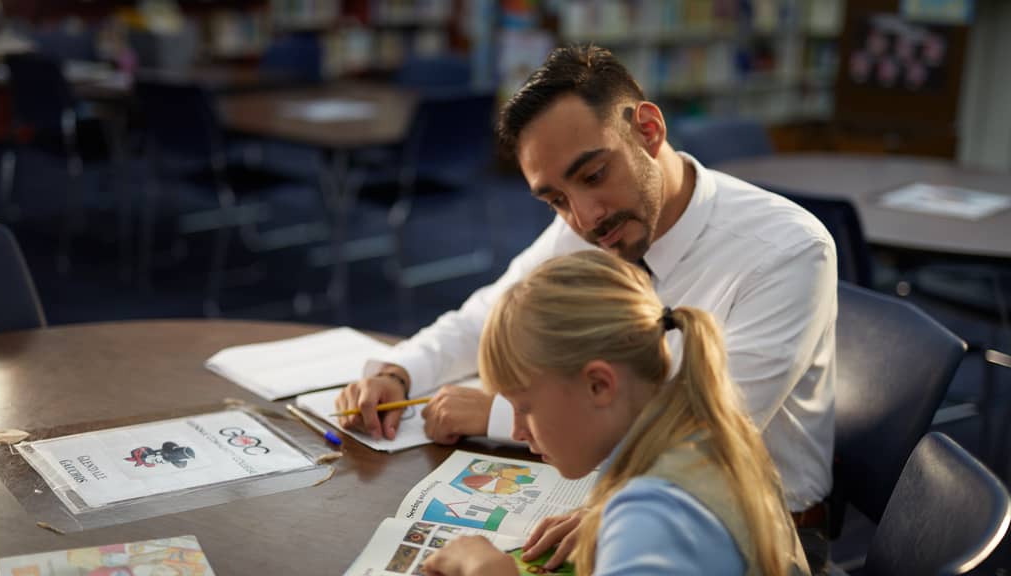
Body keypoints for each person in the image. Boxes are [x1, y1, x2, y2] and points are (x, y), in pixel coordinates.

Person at [336, 44, 836, 570]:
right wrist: (399, 371)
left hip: (754, 528)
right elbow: (495, 312)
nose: (583, 216)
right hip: (616, 486)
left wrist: (505, 413)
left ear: (648, 130)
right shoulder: (595, 221)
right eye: (555, 199)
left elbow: (705, 423)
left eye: (595, 174)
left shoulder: (787, 249)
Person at [421, 250, 810, 575]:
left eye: (525, 408)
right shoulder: (701, 430)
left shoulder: (656, 515)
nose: (519, 431)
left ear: (599, 385)